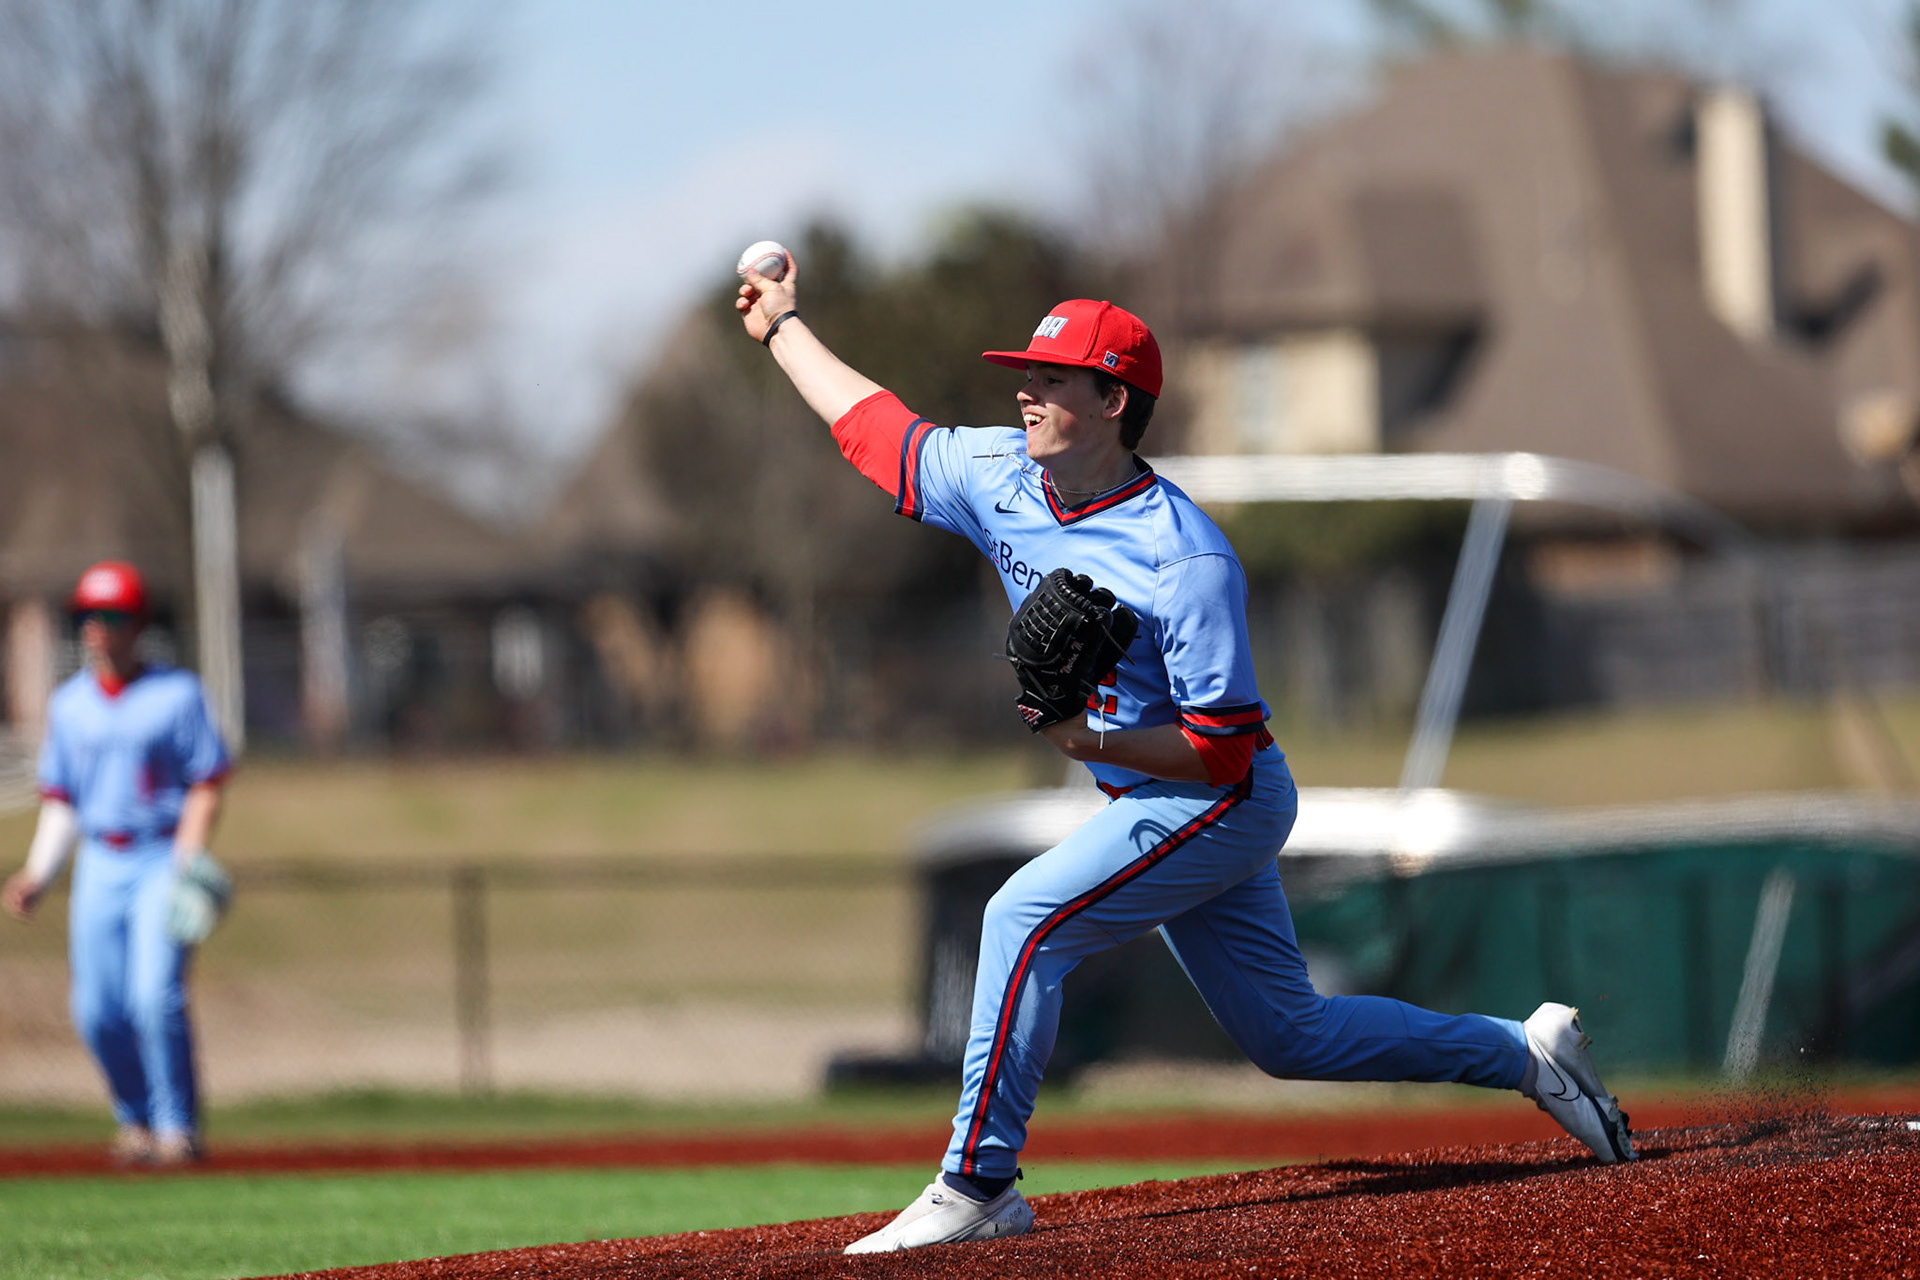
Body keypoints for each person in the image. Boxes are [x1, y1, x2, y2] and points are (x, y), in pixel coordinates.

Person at [735, 259, 1635, 1255]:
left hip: (1220, 796)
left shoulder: (1185, 556)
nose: (1025, 389)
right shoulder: (996, 475)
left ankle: (979, 1180)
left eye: (1054, 377)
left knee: (1021, 918)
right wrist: (783, 326)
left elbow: (1220, 747)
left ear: (1114, 399)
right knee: (1289, 1037)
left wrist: (1087, 741)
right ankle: (1524, 1051)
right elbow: (875, 427)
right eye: (1025, 373)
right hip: (1152, 795)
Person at [3, 561, 232, 1166]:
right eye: (88, 617)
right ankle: (134, 1122)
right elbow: (63, 801)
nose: (98, 629)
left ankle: (176, 1127)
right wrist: (38, 874)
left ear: (137, 624)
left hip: (159, 854)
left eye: (111, 617)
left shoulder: (176, 694)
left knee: (154, 997)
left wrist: (188, 858)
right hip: (101, 861)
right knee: (97, 1011)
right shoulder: (70, 705)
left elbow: (207, 779)